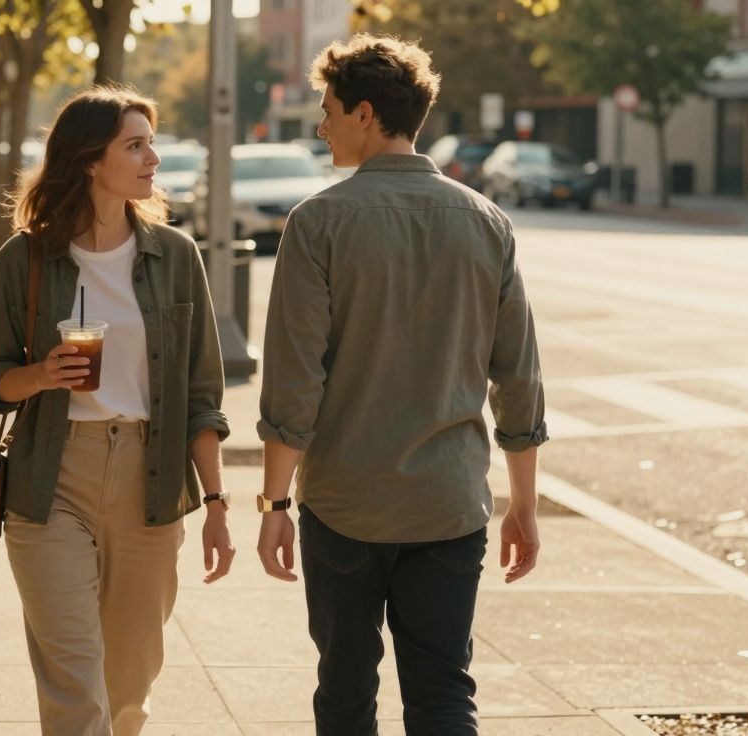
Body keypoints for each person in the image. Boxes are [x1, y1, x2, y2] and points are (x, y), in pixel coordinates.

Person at [255, 35, 547, 736]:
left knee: (346, 691)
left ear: (364, 113)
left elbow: (295, 381)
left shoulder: (318, 222)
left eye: (327, 111)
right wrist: (524, 505)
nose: (321, 126)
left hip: (345, 503)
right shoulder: (486, 221)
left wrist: (273, 503)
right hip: (448, 505)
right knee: (445, 692)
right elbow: (519, 377)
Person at [0, 85, 234, 736]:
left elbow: (203, 393)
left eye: (151, 144)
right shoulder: (25, 258)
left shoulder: (175, 258)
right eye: (135, 145)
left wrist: (219, 505)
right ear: (90, 160)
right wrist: (38, 374)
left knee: (128, 681)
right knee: (74, 679)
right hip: (51, 481)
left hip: (152, 480)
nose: (153, 160)